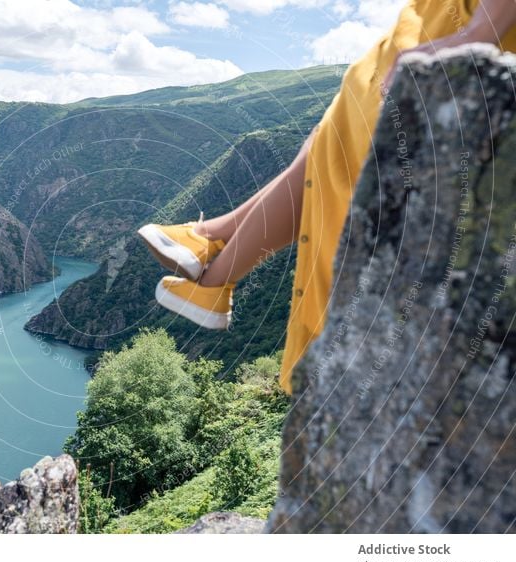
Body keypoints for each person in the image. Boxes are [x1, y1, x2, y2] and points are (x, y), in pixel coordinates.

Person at [138, 0, 516, 394]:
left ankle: (211, 263)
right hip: (431, 43)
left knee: (328, 161)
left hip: (441, 44)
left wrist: (472, 38)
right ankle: (210, 254)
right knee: (322, 150)